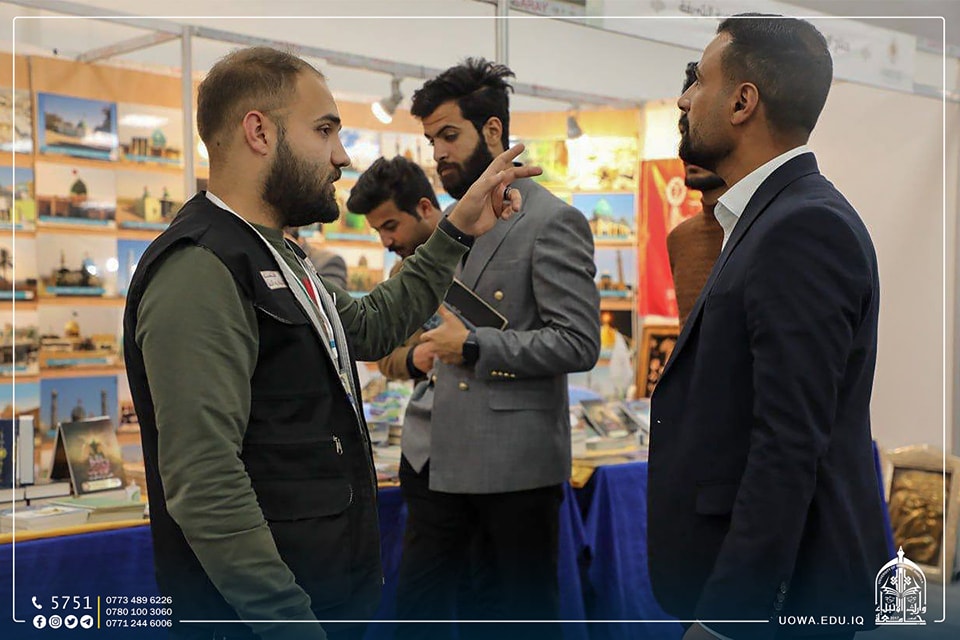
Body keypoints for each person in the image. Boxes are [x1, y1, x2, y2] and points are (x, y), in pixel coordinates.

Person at [122, 46, 539, 640]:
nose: (341, 155)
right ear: (259, 132)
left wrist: (456, 230)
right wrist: (289, 622)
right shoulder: (200, 267)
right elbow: (206, 482)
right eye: (324, 131)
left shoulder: (276, 254)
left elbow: (368, 325)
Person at [648, 15, 889, 640]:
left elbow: (788, 441)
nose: (684, 99)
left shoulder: (802, 227)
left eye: (700, 81)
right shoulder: (768, 217)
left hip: (784, 597)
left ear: (742, 102)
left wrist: (730, 616)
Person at [394, 57, 600, 638]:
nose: (438, 153)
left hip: (514, 470)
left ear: (492, 131)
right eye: (432, 140)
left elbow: (579, 341)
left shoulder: (552, 221)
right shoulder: (449, 225)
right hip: (432, 461)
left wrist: (474, 345)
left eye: (448, 135)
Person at [345, 156, 444, 381]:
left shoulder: (477, 254)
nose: (386, 242)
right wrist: (413, 358)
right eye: (378, 231)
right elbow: (384, 354)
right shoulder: (401, 272)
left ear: (425, 208)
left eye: (391, 226)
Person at [666, 62, 727, 331]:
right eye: (685, 132)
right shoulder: (680, 238)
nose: (689, 148)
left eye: (701, 133)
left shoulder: (765, 229)